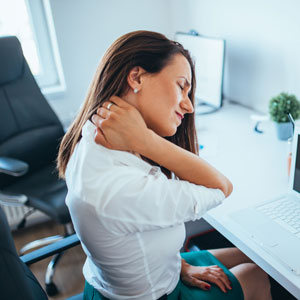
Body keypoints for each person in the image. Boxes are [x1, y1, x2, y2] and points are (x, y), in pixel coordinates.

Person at [57, 30, 272, 300]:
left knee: (255, 254)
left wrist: (180, 265)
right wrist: (145, 139)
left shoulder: (91, 137)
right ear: (136, 78)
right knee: (256, 274)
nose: (189, 106)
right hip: (153, 296)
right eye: (181, 86)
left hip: (129, 278)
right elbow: (221, 187)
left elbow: (127, 238)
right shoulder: (122, 187)